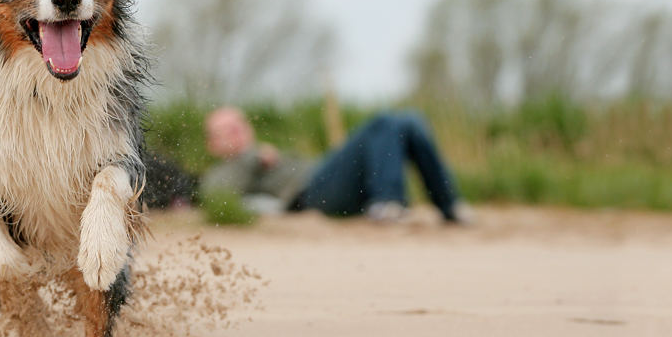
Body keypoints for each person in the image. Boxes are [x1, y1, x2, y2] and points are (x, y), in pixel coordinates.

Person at [201, 106, 471, 223]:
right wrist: (252, 160)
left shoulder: (271, 154)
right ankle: (388, 202)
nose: (236, 131)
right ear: (212, 144)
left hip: (329, 177)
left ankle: (450, 206)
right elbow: (217, 195)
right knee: (384, 123)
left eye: (239, 124)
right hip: (312, 194)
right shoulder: (222, 172)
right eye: (226, 130)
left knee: (409, 121)